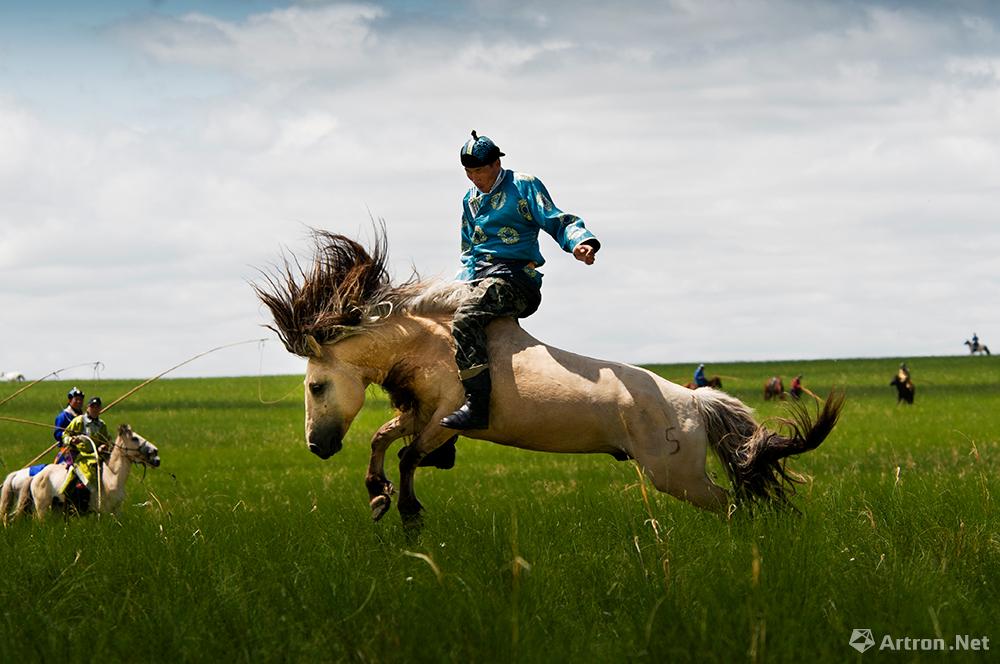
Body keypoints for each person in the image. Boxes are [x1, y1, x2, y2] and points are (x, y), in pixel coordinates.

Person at [440, 131, 600, 430]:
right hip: (479, 279)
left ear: (496, 163)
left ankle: (478, 406)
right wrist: (457, 288)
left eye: (479, 170)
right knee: (437, 320)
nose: (474, 178)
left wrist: (580, 243)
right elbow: (469, 250)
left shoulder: (523, 185)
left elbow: (555, 219)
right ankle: (443, 427)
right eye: (469, 172)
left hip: (516, 279)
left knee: (465, 317)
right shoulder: (470, 199)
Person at [58, 396, 111, 507]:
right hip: (79, 455)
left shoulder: (102, 425)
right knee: (84, 472)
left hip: (96, 455)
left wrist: (103, 446)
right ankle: (72, 497)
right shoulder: (79, 421)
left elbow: (106, 441)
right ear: (88, 407)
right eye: (92, 407)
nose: (95, 409)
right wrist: (72, 440)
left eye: (97, 407)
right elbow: (65, 435)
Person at [53, 387, 85, 463]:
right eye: (76, 399)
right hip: (68, 449)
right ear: (70, 400)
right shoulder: (63, 416)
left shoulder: (83, 416)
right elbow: (57, 434)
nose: (79, 402)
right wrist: (70, 438)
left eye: (81, 400)